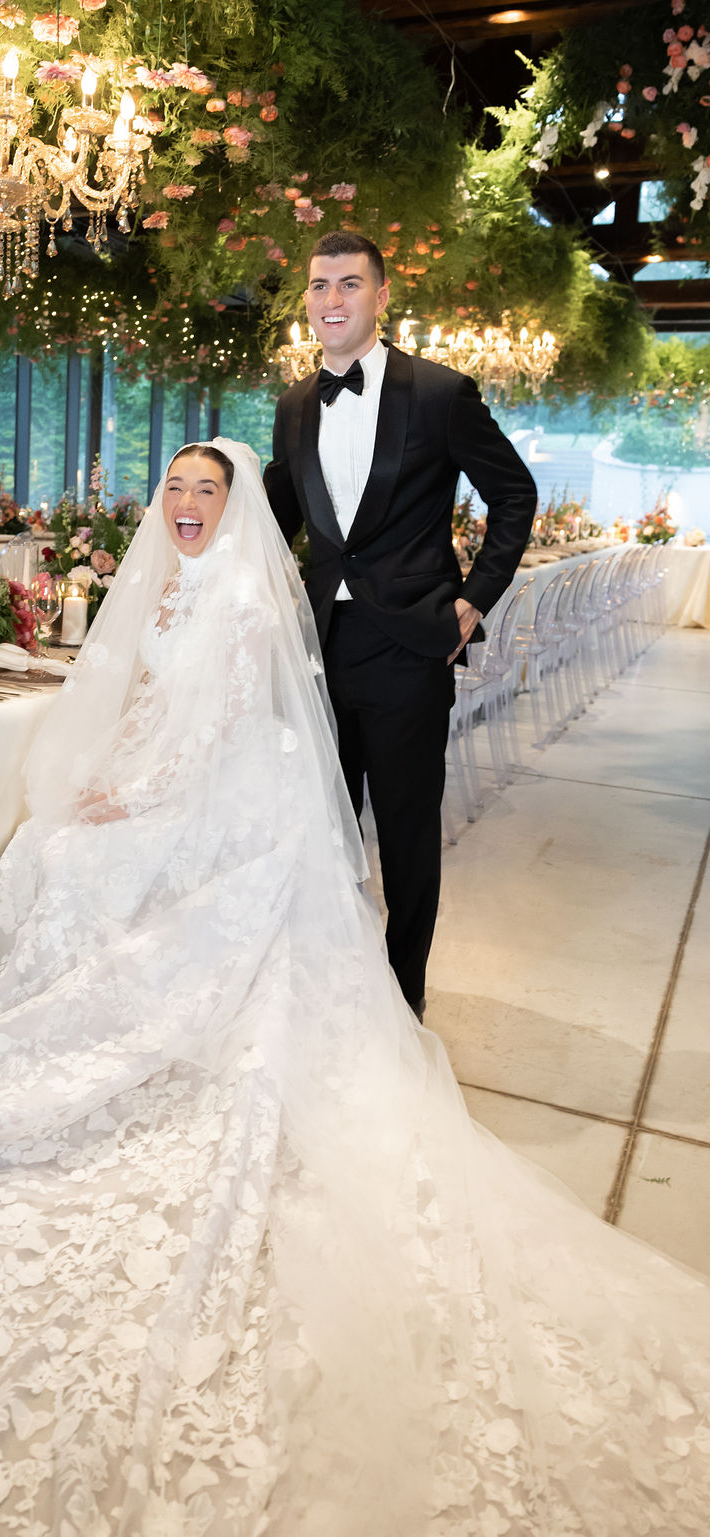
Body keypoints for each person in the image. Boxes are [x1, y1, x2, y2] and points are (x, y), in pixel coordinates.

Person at [0, 440, 710, 1537]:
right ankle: (58, 1008)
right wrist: (107, 768)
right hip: (187, 775)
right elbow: (145, 698)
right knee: (49, 845)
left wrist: (130, 796)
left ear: (236, 508)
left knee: (75, 857)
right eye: (174, 487)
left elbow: (213, 731)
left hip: (233, 795)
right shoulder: (174, 582)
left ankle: (100, 1022)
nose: (184, 502)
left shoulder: (246, 602)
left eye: (205, 490)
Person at [264, 231, 538, 1017]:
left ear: (381, 296)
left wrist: (475, 597)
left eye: (349, 284)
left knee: (408, 835)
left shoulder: (441, 394)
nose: (332, 300)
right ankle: (333, 987)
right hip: (319, 647)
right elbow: (277, 517)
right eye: (319, 286)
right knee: (323, 830)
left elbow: (513, 494)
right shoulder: (294, 405)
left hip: (410, 647)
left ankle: (402, 999)